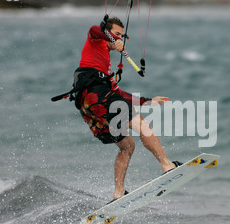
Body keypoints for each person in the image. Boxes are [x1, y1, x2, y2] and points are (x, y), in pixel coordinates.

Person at [73, 17, 180, 200]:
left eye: (122, 36)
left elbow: (120, 94)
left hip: (89, 105)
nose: (120, 38)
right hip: (97, 95)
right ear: (107, 33)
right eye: (117, 34)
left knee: (127, 145)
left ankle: (118, 192)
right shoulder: (95, 40)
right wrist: (113, 39)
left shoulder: (104, 69)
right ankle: (167, 165)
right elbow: (94, 29)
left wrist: (148, 102)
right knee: (142, 125)